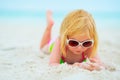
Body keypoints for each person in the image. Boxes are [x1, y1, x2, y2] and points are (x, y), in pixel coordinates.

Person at [40, 10, 105, 71]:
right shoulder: (60, 41)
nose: (80, 48)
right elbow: (52, 64)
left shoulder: (90, 46)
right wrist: (73, 66)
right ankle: (49, 26)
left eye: (86, 43)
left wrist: (96, 67)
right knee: (43, 48)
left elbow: (100, 64)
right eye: (73, 43)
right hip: (53, 45)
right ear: (65, 37)